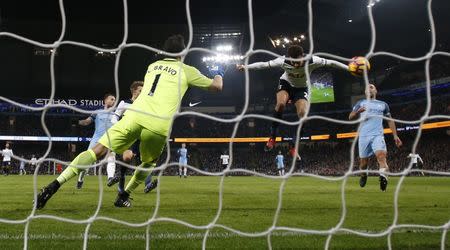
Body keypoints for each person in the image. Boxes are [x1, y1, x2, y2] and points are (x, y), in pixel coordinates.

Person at [36, 34, 224, 209]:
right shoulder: (186, 70)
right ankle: (124, 195)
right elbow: (217, 87)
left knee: (97, 151)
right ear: (183, 53)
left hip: (133, 115)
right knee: (149, 162)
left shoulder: (152, 67)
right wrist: (219, 72)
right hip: (157, 123)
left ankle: (53, 185)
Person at [237, 45, 352, 151]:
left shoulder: (313, 60)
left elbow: (331, 63)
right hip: (286, 84)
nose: (296, 65)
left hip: (301, 89)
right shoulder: (283, 60)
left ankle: (293, 144)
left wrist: (348, 68)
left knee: (303, 115)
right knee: (281, 104)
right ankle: (272, 137)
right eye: (293, 62)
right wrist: (246, 67)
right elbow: (264, 64)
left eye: (298, 62)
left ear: (302, 56)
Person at [349, 84, 402, 191]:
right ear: (365, 92)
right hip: (363, 136)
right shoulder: (360, 103)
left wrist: (395, 135)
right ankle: (364, 175)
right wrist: (357, 112)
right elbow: (350, 117)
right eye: (367, 87)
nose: (369, 88)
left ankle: (383, 177)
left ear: (376, 91)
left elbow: (390, 120)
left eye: (372, 87)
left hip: (378, 135)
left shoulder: (383, 105)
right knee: (363, 164)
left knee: (381, 157)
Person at [76, 93, 116, 189]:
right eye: (112, 99)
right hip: (96, 140)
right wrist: (76, 122)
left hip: (109, 140)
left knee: (112, 158)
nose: (114, 101)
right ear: (105, 100)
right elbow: (87, 121)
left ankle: (110, 178)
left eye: (114, 100)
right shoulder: (97, 112)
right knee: (87, 162)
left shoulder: (116, 114)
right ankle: (80, 179)